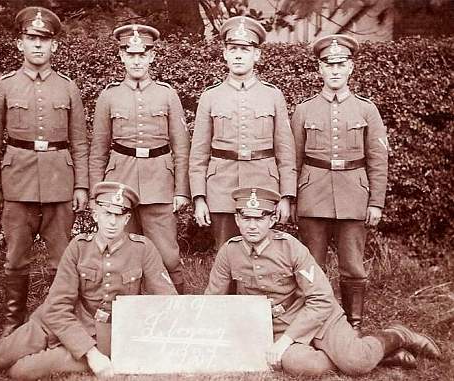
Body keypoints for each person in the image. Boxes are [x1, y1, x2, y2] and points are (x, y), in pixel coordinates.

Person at [205, 187, 441, 376]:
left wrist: (287, 340)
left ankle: (398, 335)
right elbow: (212, 300)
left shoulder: (290, 247)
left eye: (260, 217)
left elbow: (321, 298)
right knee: (306, 367)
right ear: (237, 219)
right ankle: (371, 356)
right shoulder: (229, 251)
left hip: (316, 316)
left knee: (357, 363)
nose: (252, 225)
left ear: (272, 219)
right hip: (273, 326)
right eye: (246, 218)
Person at [0, 182, 177, 379]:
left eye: (119, 215)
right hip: (55, 323)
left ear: (127, 218)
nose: (112, 221)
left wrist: (124, 343)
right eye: (107, 213)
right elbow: (56, 306)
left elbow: (168, 302)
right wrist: (91, 356)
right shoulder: (79, 247)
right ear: (95, 214)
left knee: (21, 372)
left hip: (101, 336)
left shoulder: (143, 249)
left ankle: (58, 354)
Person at [0, 6, 89, 337]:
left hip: (60, 183)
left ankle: (57, 326)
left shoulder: (68, 88)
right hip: (17, 185)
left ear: (54, 46)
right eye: (31, 38)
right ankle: (14, 324)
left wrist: (81, 186)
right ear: (19, 44)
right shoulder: (4, 87)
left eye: (44, 39)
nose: (38, 45)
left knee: (62, 262)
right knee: (16, 260)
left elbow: (79, 143)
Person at [290, 34, 389, 330]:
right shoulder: (304, 110)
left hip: (353, 196)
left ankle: (353, 325)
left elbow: (378, 159)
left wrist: (376, 202)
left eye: (341, 64)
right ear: (319, 69)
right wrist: (292, 199)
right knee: (311, 266)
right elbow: (292, 159)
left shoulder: (366, 110)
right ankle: (315, 323)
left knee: (353, 267)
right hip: (312, 196)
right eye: (328, 64)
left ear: (351, 68)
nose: (334, 70)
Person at [89, 24, 190, 294]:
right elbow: (98, 149)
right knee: (124, 254)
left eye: (142, 54)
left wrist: (182, 190)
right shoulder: (109, 96)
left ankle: (177, 311)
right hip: (119, 183)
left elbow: (181, 147)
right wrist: (95, 194)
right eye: (129, 54)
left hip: (159, 183)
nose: (136, 60)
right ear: (121, 56)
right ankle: (125, 316)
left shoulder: (167, 94)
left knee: (168, 256)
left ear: (151, 57)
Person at [189, 16, 296, 251]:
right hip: (221, 189)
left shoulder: (273, 95)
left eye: (245, 49)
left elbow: (286, 153)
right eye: (233, 49)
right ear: (225, 53)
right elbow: (198, 154)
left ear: (256, 54)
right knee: (225, 254)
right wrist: (199, 198)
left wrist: (287, 196)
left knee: (265, 254)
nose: (238, 55)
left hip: (264, 185)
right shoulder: (210, 96)